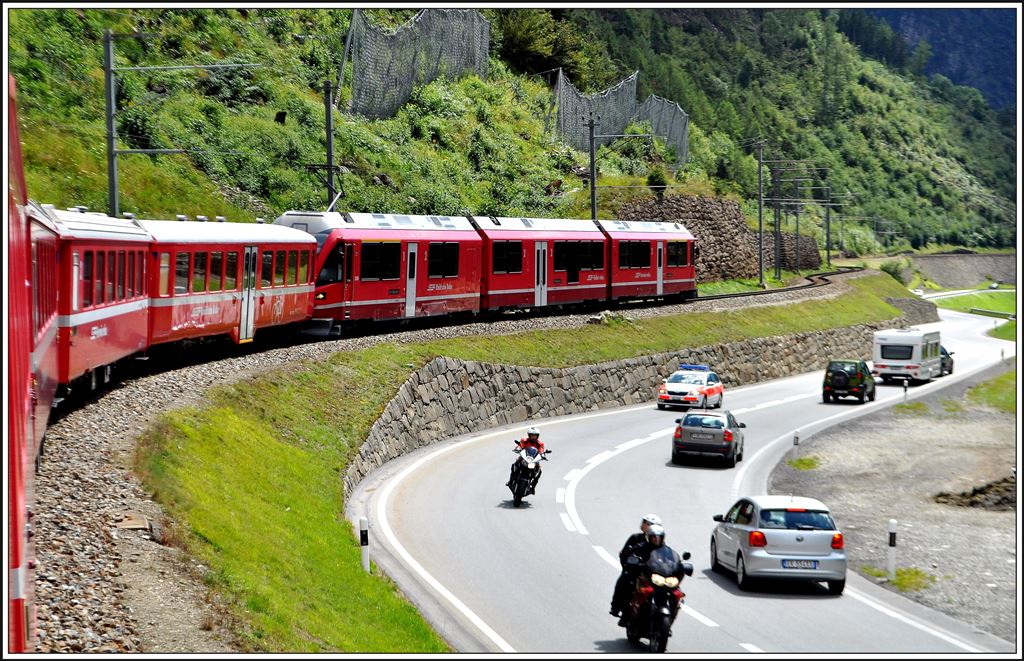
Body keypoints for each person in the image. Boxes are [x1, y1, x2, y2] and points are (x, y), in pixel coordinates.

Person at [610, 514, 662, 619]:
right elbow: (624, 553)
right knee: (624, 580)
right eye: (643, 522)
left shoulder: (660, 543)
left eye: (647, 523)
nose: (643, 524)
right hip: (636, 571)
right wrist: (628, 564)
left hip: (652, 574)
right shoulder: (636, 538)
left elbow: (667, 556)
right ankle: (616, 606)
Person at [506, 426, 545, 494]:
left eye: (535, 436)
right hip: (524, 457)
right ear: (529, 435)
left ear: (537, 436)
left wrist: (543, 455)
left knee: (539, 471)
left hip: (534, 460)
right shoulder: (524, 440)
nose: (533, 437)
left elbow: (541, 450)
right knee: (514, 465)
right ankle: (511, 480)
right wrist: (518, 448)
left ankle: (533, 487)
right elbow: (520, 445)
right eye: (532, 435)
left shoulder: (540, 443)